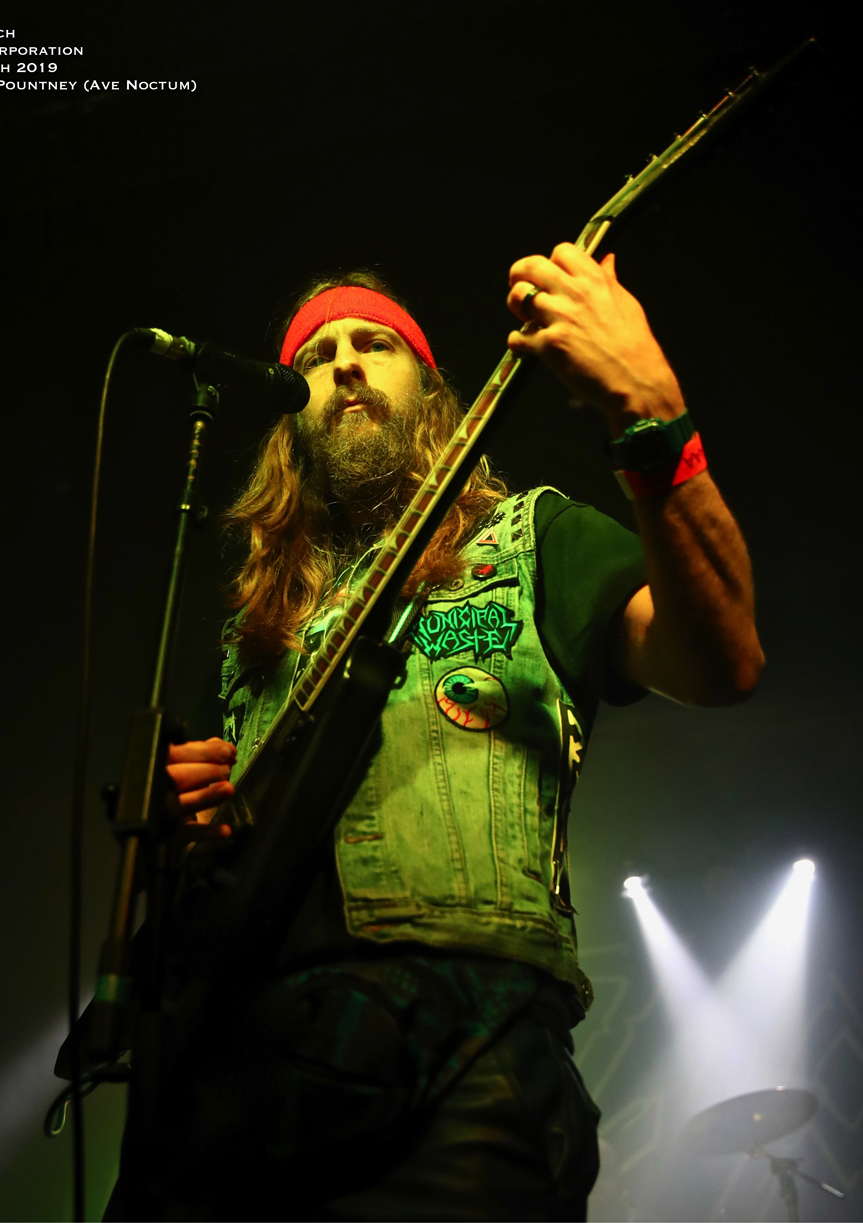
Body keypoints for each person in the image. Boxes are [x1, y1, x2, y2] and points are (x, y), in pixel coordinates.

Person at [114, 245, 763, 1221]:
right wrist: (199, 827)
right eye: (318, 353)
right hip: (250, 1073)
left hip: (465, 1053)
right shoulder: (258, 632)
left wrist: (650, 410)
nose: (344, 362)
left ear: (428, 391)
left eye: (373, 343)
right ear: (289, 418)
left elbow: (723, 660)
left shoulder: (536, 536)